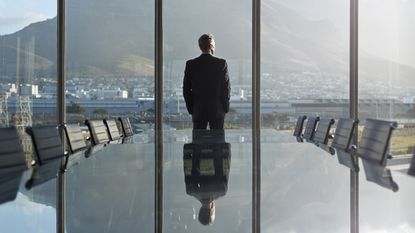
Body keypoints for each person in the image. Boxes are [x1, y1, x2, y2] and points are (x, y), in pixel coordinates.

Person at [183, 34, 231, 129]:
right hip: (217, 109)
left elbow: (186, 90)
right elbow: (226, 88)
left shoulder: (191, 64)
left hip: (198, 110)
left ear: (200, 46)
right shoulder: (221, 64)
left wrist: (191, 108)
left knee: (198, 140)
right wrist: (225, 108)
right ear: (211, 46)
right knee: (218, 140)